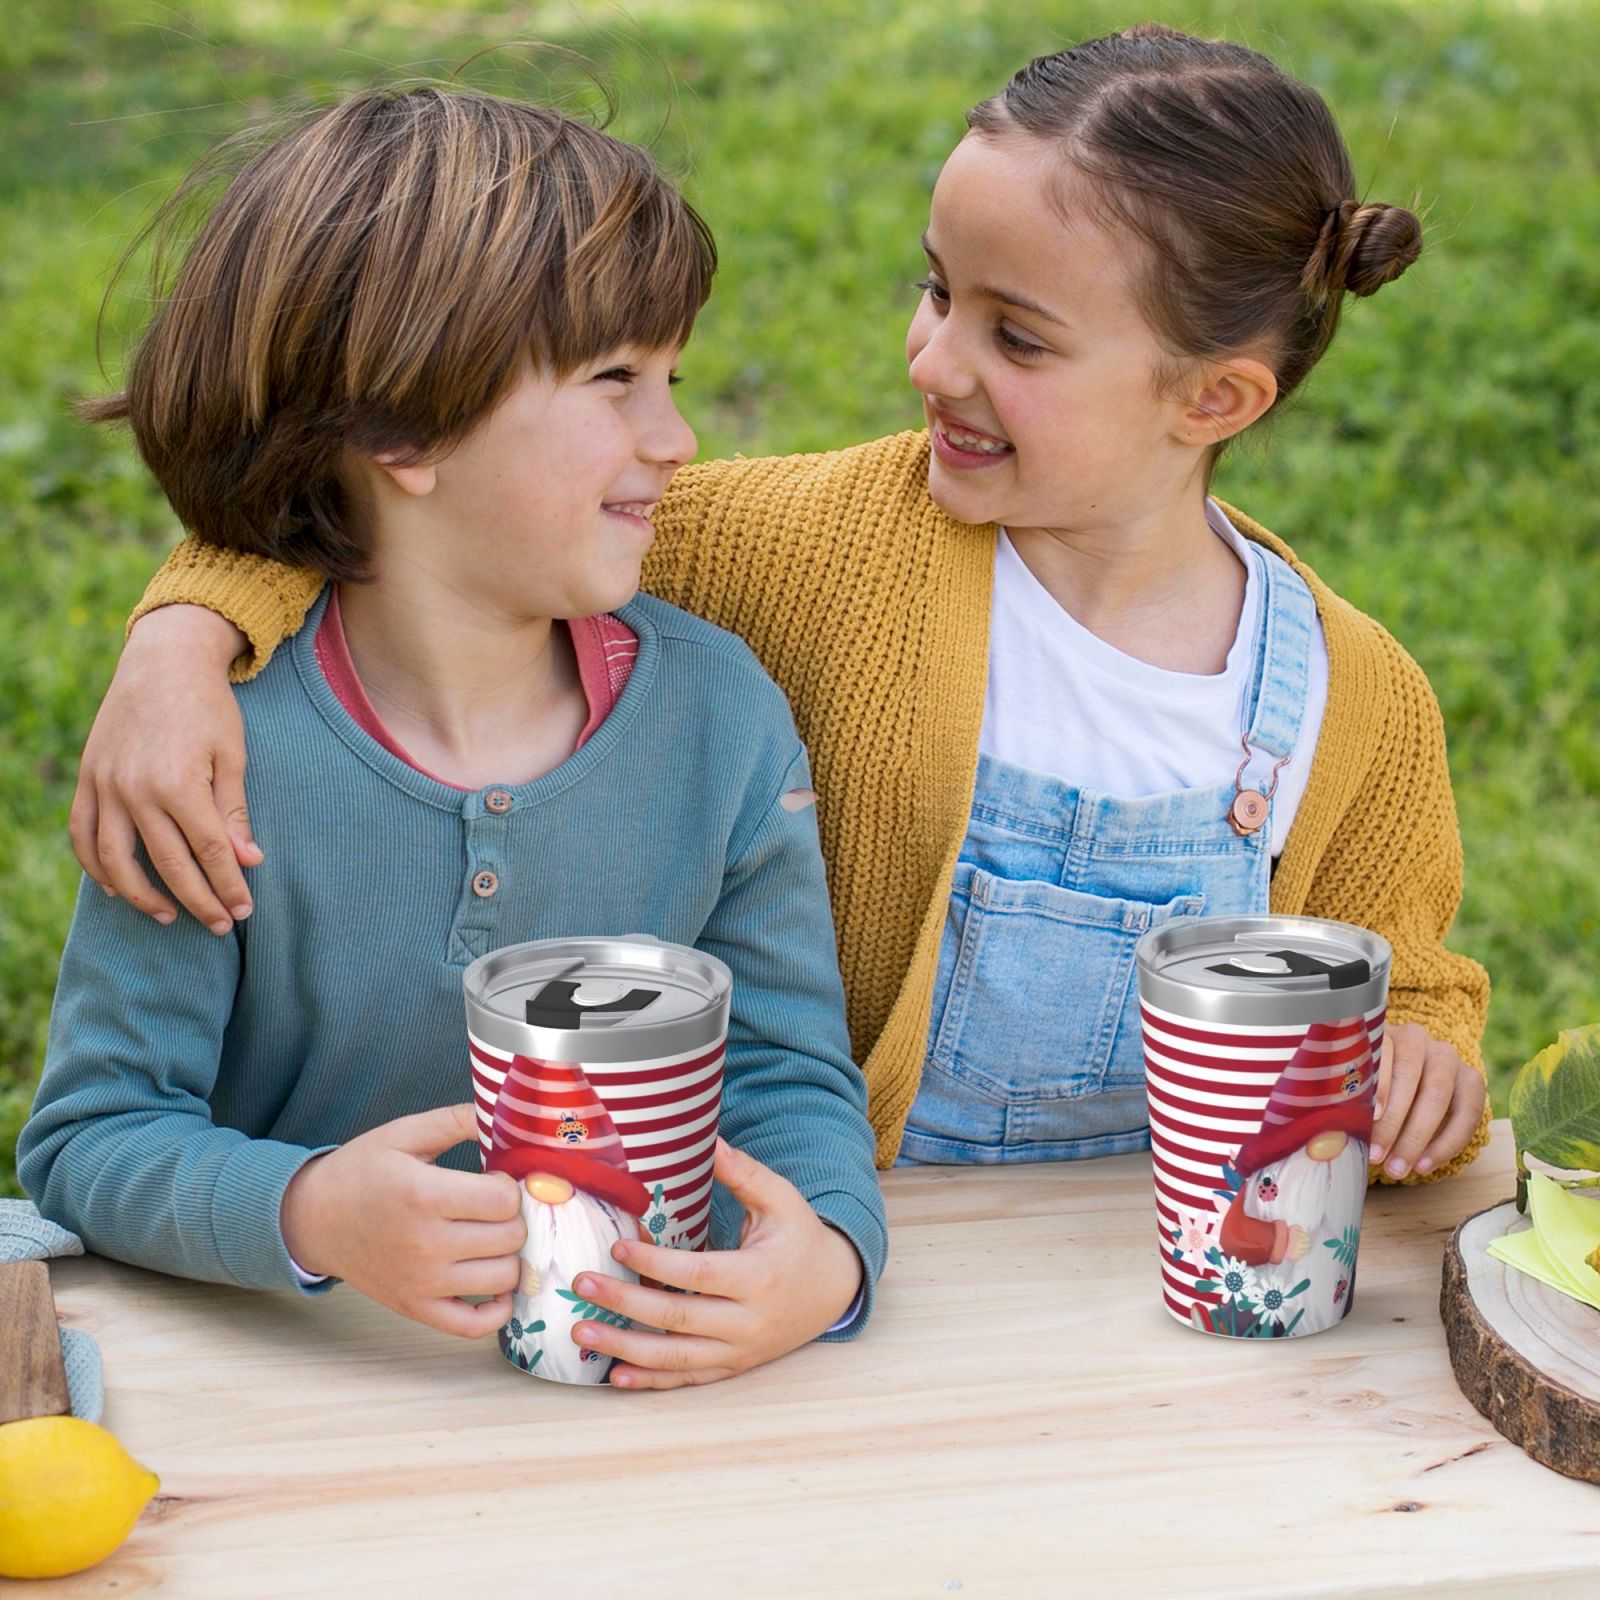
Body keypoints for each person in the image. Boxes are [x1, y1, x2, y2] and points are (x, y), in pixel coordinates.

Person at [66, 25, 1490, 1193]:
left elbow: (1405, 977)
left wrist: (1423, 1053)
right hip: (849, 1250)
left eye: (1018, 335)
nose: (933, 358)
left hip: (1154, 1291)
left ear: (1216, 398)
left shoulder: (1355, 699)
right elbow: (425, 506)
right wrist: (186, 632)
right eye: (937, 291)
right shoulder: (811, 547)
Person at [20, 86, 887, 1390]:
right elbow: (93, 1138)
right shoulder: (209, 758)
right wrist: (312, 1211)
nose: (677, 438)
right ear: (398, 430)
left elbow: (781, 1068)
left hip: (643, 1403)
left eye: (673, 379)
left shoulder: (723, 720)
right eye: (614, 383)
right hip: (305, 1400)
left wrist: (825, 1256)